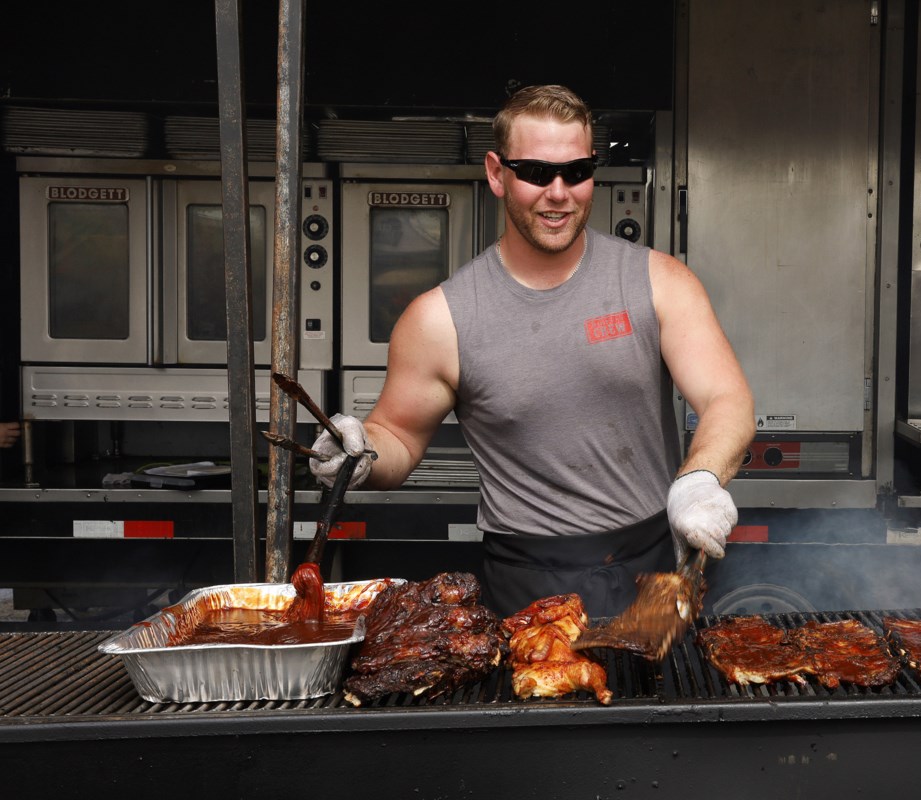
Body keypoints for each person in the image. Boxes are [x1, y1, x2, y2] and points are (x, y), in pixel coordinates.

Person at [312, 85, 755, 616]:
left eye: (577, 171)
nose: (560, 192)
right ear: (497, 174)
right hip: (527, 585)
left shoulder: (659, 282)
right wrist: (359, 453)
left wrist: (700, 480)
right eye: (538, 173)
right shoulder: (439, 319)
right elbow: (399, 437)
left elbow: (727, 398)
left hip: (655, 566)